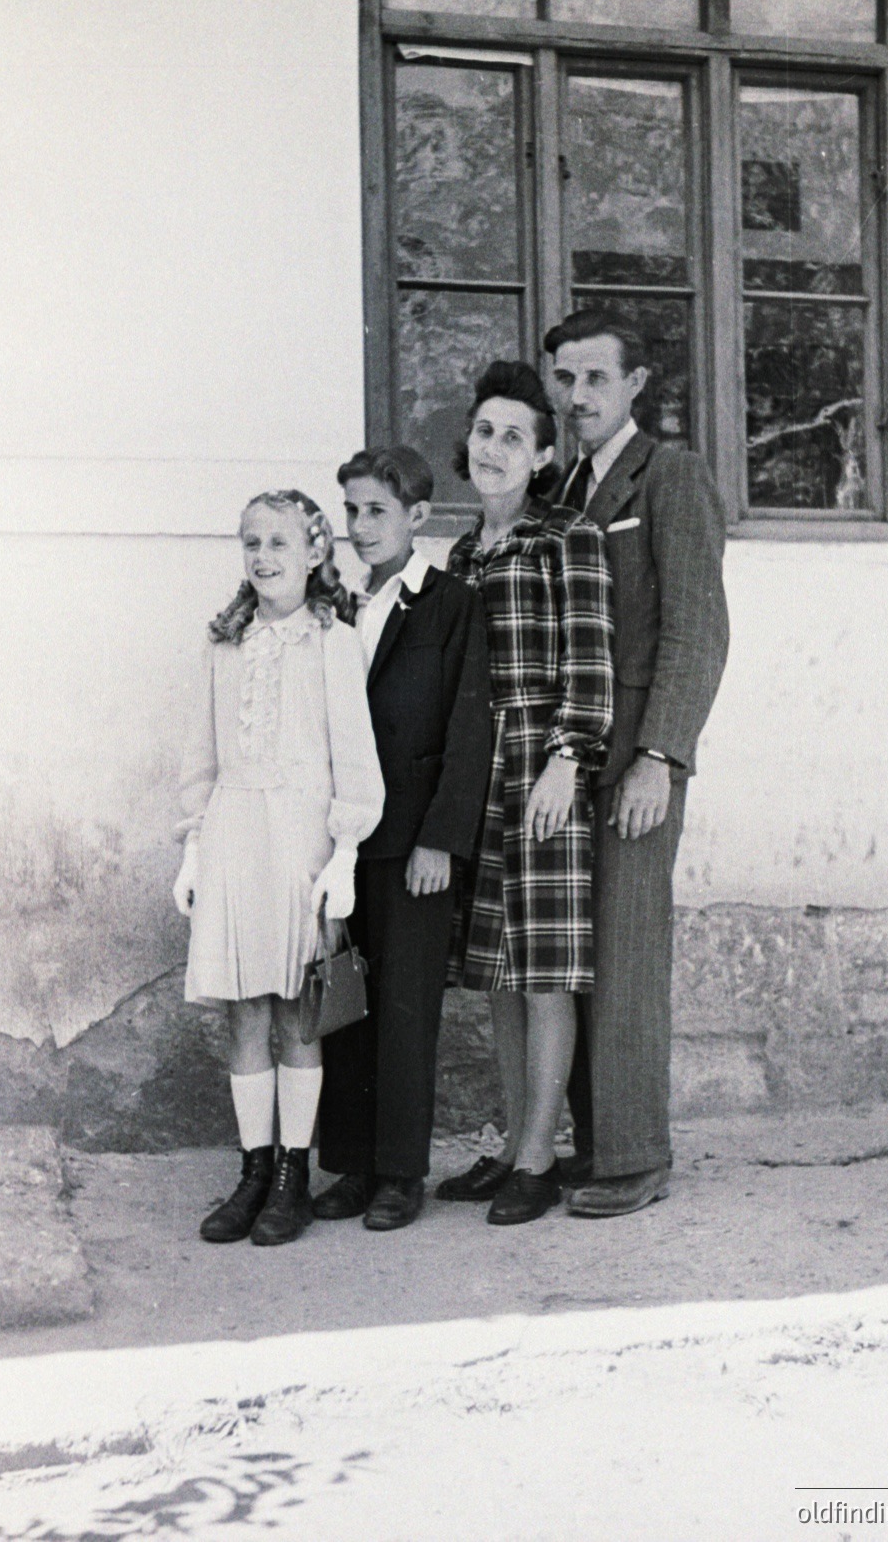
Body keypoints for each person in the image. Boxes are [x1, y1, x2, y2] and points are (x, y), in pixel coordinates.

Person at [543, 308, 729, 1218]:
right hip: (568, 759)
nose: (576, 396)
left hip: (636, 759)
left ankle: (633, 1155)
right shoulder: (561, 486)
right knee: (577, 953)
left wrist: (661, 753)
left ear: (634, 386)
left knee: (624, 948)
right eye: (564, 379)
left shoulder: (671, 476)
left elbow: (698, 629)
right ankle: (589, 1142)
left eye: (594, 379)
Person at [173, 489, 384, 1247]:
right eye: (251, 543)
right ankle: (253, 1169)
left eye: (279, 544)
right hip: (233, 831)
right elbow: (199, 754)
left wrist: (346, 853)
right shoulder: (223, 642)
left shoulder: (332, 640)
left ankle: (294, 1173)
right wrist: (194, 845)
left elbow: (355, 758)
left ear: (314, 553)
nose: (264, 557)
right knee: (244, 1009)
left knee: (297, 1009)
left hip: (300, 839)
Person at [436, 360, 615, 1226]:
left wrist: (567, 761)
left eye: (514, 435)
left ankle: (540, 1159)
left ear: (542, 455)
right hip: (478, 771)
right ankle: (511, 1144)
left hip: (543, 768)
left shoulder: (567, 536)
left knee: (544, 972)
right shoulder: (463, 552)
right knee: (498, 974)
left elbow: (590, 663)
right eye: (484, 431)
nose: (495, 447)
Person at [313, 445, 491, 1231]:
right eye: (350, 510)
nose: (360, 526)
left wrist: (439, 840)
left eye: (376, 510)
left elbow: (468, 727)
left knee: (404, 1009)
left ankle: (398, 1174)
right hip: (337, 838)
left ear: (417, 517)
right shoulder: (334, 607)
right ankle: (349, 1165)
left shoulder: (450, 604)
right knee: (344, 1003)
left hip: (411, 841)